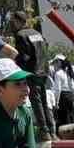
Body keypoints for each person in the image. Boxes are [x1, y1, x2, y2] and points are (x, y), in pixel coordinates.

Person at [9, 10, 56, 141]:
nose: (12, 24)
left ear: (18, 21)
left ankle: (44, 132)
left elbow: (24, 56)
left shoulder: (20, 35)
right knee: (44, 100)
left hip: (32, 71)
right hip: (44, 70)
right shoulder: (37, 33)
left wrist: (17, 69)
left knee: (36, 102)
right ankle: (52, 131)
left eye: (13, 21)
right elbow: (45, 49)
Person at [50, 55, 74, 129]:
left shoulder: (58, 74)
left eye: (55, 63)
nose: (54, 65)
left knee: (63, 119)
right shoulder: (68, 73)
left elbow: (58, 90)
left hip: (63, 97)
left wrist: (56, 102)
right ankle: (72, 135)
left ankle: (64, 137)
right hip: (70, 96)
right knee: (71, 117)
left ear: (59, 62)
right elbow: (73, 88)